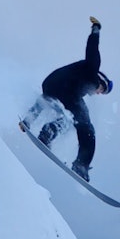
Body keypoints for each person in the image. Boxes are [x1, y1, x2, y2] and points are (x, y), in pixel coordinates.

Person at [21, 16, 113, 182]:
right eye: (102, 90)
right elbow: (92, 49)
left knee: (62, 113)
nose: (99, 93)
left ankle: (40, 128)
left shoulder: (82, 86)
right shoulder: (92, 71)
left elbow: (47, 100)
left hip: (50, 85)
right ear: (101, 82)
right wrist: (96, 30)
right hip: (65, 90)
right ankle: (81, 165)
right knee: (87, 128)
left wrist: (27, 121)